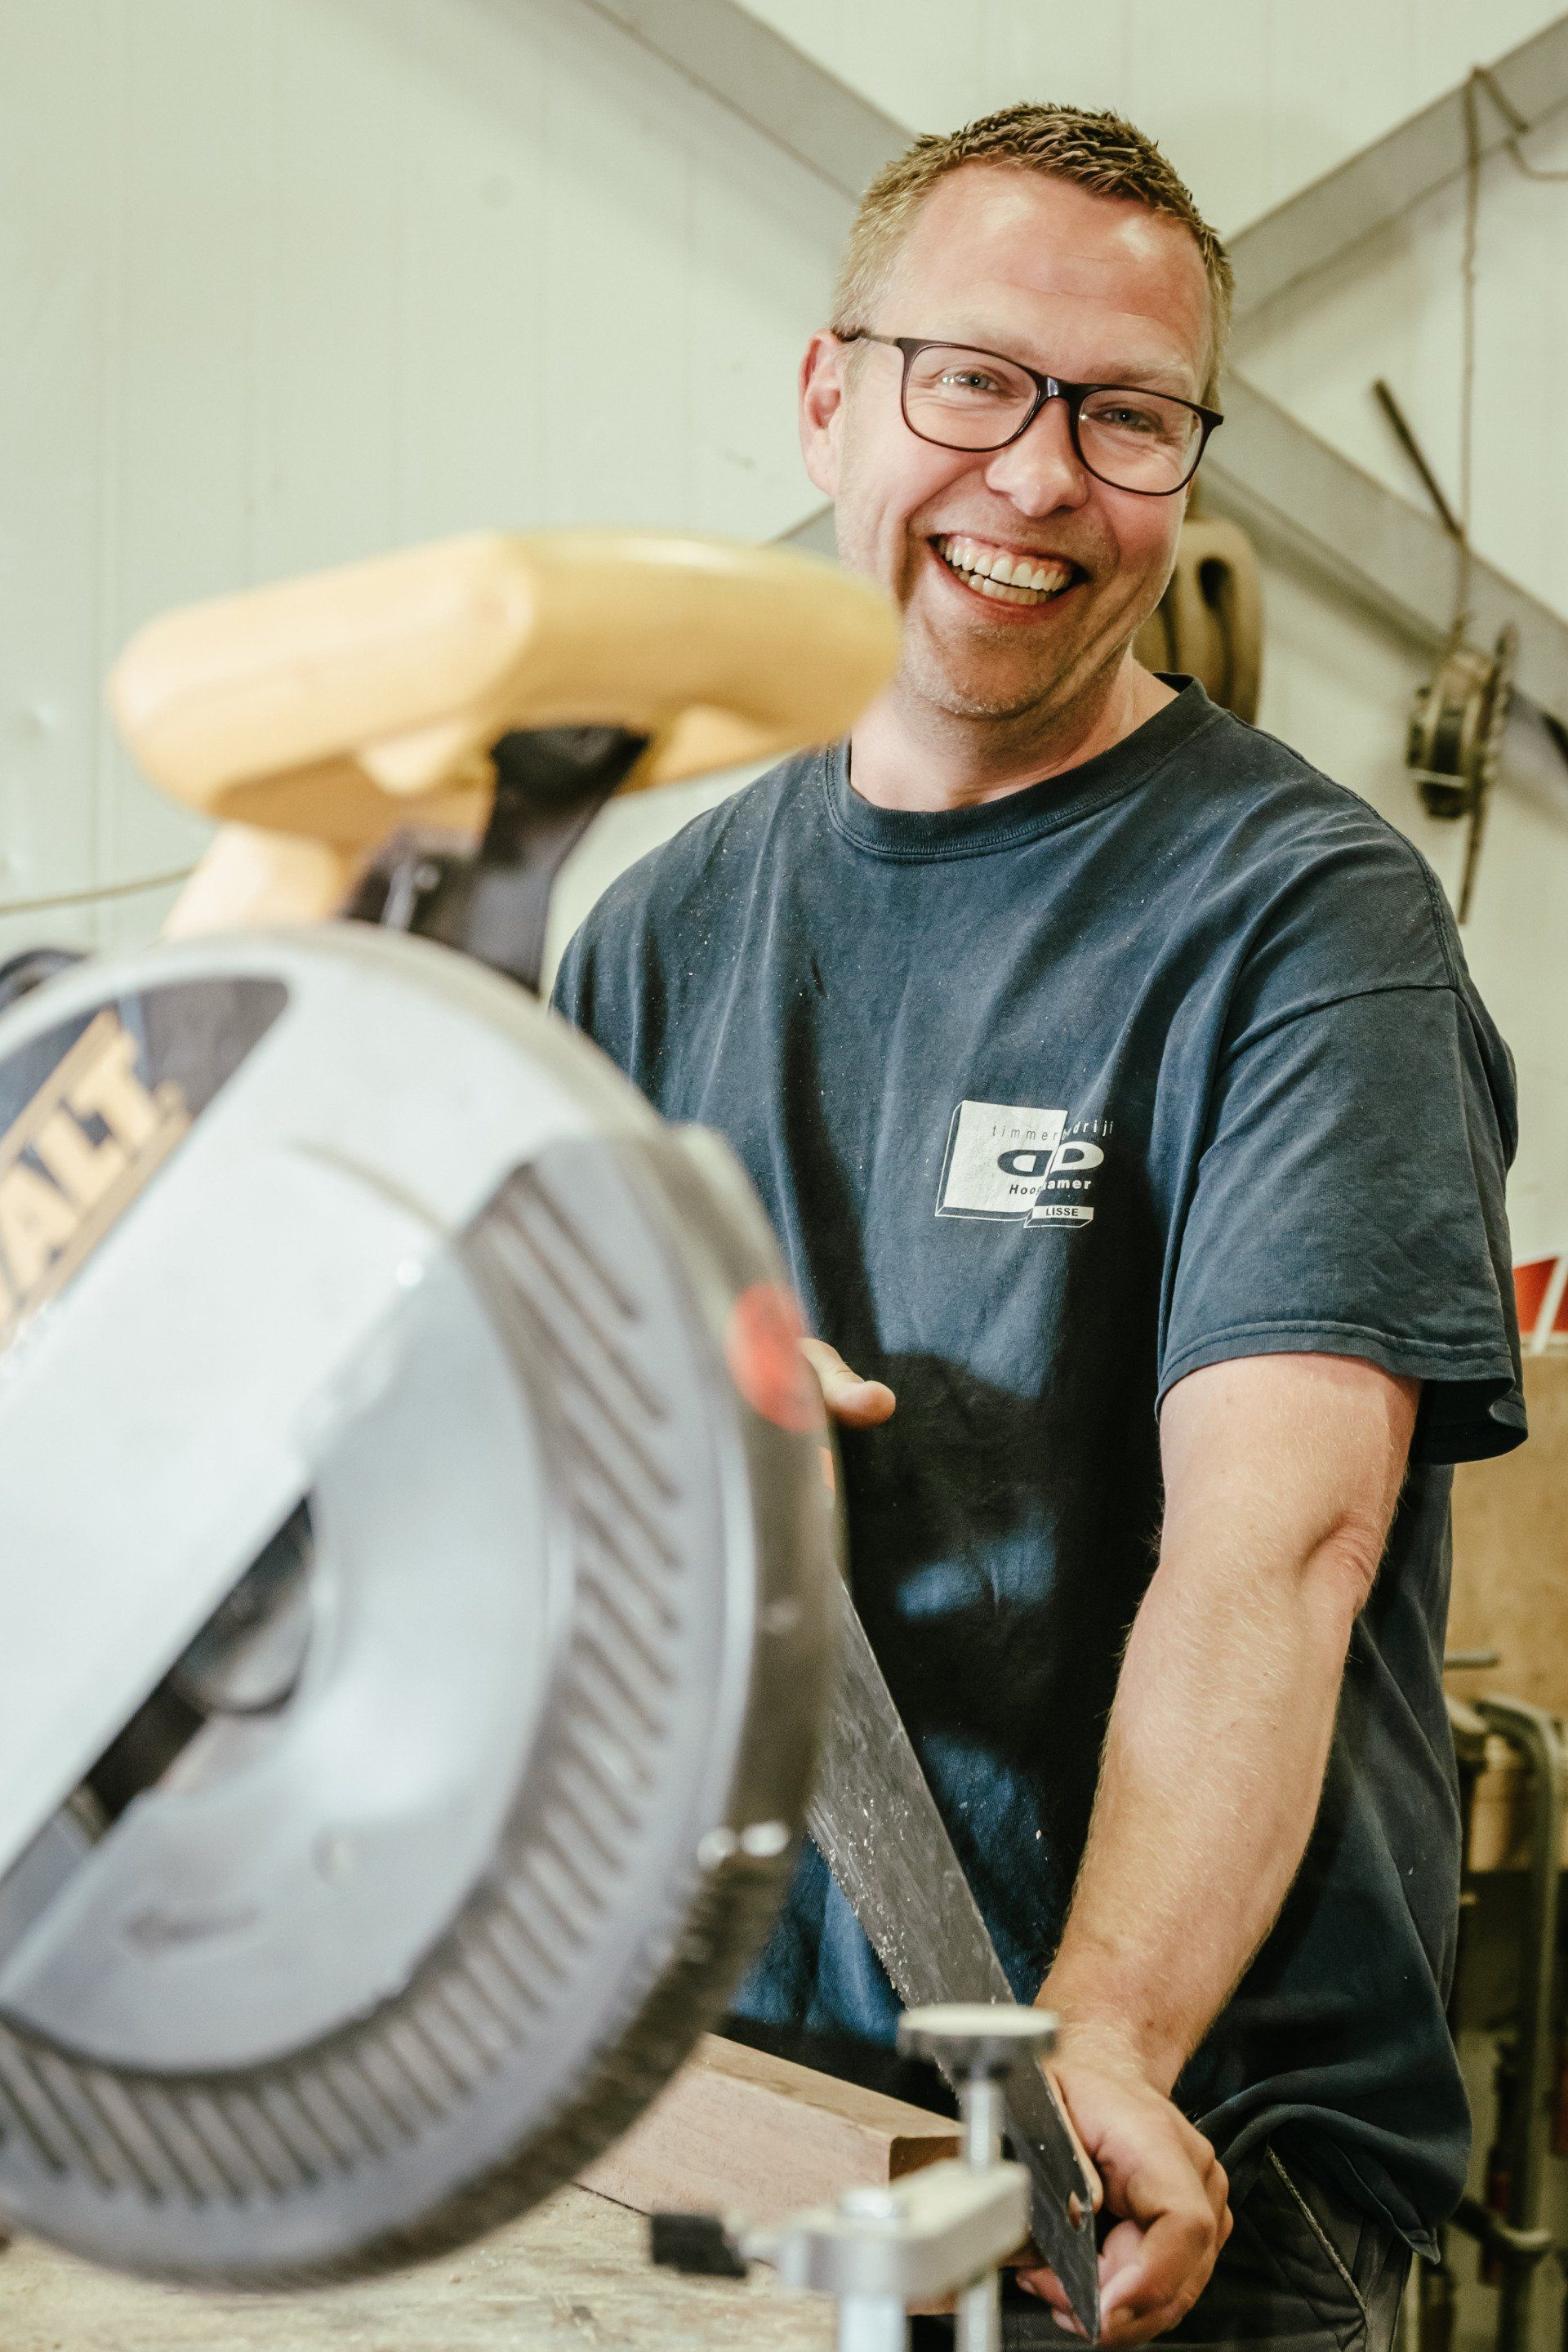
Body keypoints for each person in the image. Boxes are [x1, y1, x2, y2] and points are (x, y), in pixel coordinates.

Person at [553, 104, 1523, 2350]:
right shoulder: (655, 936)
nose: (1040, 478)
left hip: (1164, 2184)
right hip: (750, 2137)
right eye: (972, 381)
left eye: (1129, 416)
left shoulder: (1302, 926)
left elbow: (1278, 1543)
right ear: (831, 392)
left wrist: (1100, 2042)